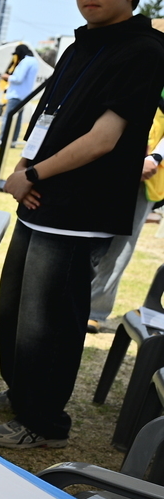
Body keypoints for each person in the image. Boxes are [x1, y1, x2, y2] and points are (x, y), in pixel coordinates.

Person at [0, 0, 164, 449]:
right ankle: (21, 391)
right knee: (15, 305)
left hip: (79, 207)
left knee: (51, 320)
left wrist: (34, 177)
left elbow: (105, 139)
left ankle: (43, 423)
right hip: (40, 197)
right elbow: (47, 118)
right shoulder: (82, 43)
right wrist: (22, 169)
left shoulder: (143, 52)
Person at [87, 94, 164, 332]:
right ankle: (68, 300)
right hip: (103, 160)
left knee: (120, 245)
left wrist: (155, 157)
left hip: (145, 170)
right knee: (85, 235)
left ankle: (95, 310)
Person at [0, 43, 41, 148]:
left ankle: (2, 141)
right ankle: (13, 141)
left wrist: (7, 77)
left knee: (7, 118)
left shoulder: (25, 62)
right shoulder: (34, 62)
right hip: (25, 95)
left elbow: (18, 79)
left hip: (16, 94)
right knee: (17, 120)